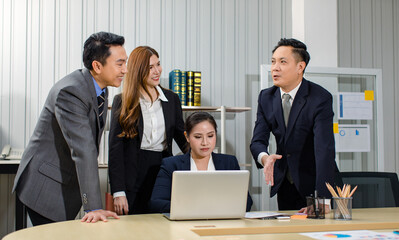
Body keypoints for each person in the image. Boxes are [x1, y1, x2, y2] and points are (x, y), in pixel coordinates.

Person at [12, 32, 128, 225]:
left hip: (64, 181)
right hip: (46, 185)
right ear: (97, 66)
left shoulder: (101, 88)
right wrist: (93, 207)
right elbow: (84, 149)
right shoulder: (71, 92)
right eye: (119, 63)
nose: (125, 70)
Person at [250, 38, 336, 211]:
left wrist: (322, 199)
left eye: (283, 62)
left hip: (315, 183)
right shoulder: (266, 97)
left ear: (300, 67)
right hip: (284, 185)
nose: (275, 67)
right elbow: (257, 141)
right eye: (273, 62)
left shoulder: (320, 98)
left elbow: (324, 151)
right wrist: (265, 158)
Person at [108, 46, 187, 215]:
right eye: (150, 67)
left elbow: (183, 138)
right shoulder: (122, 101)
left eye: (158, 64)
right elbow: (116, 151)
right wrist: (118, 191)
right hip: (133, 175)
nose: (157, 71)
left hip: (163, 170)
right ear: (138, 70)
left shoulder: (172, 99)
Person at [149, 112, 253, 213]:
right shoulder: (171, 165)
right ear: (187, 137)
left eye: (210, 136)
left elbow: (246, 202)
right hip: (184, 226)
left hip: (222, 224)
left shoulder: (229, 163)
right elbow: (156, 203)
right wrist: (196, 208)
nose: (205, 142)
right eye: (198, 137)